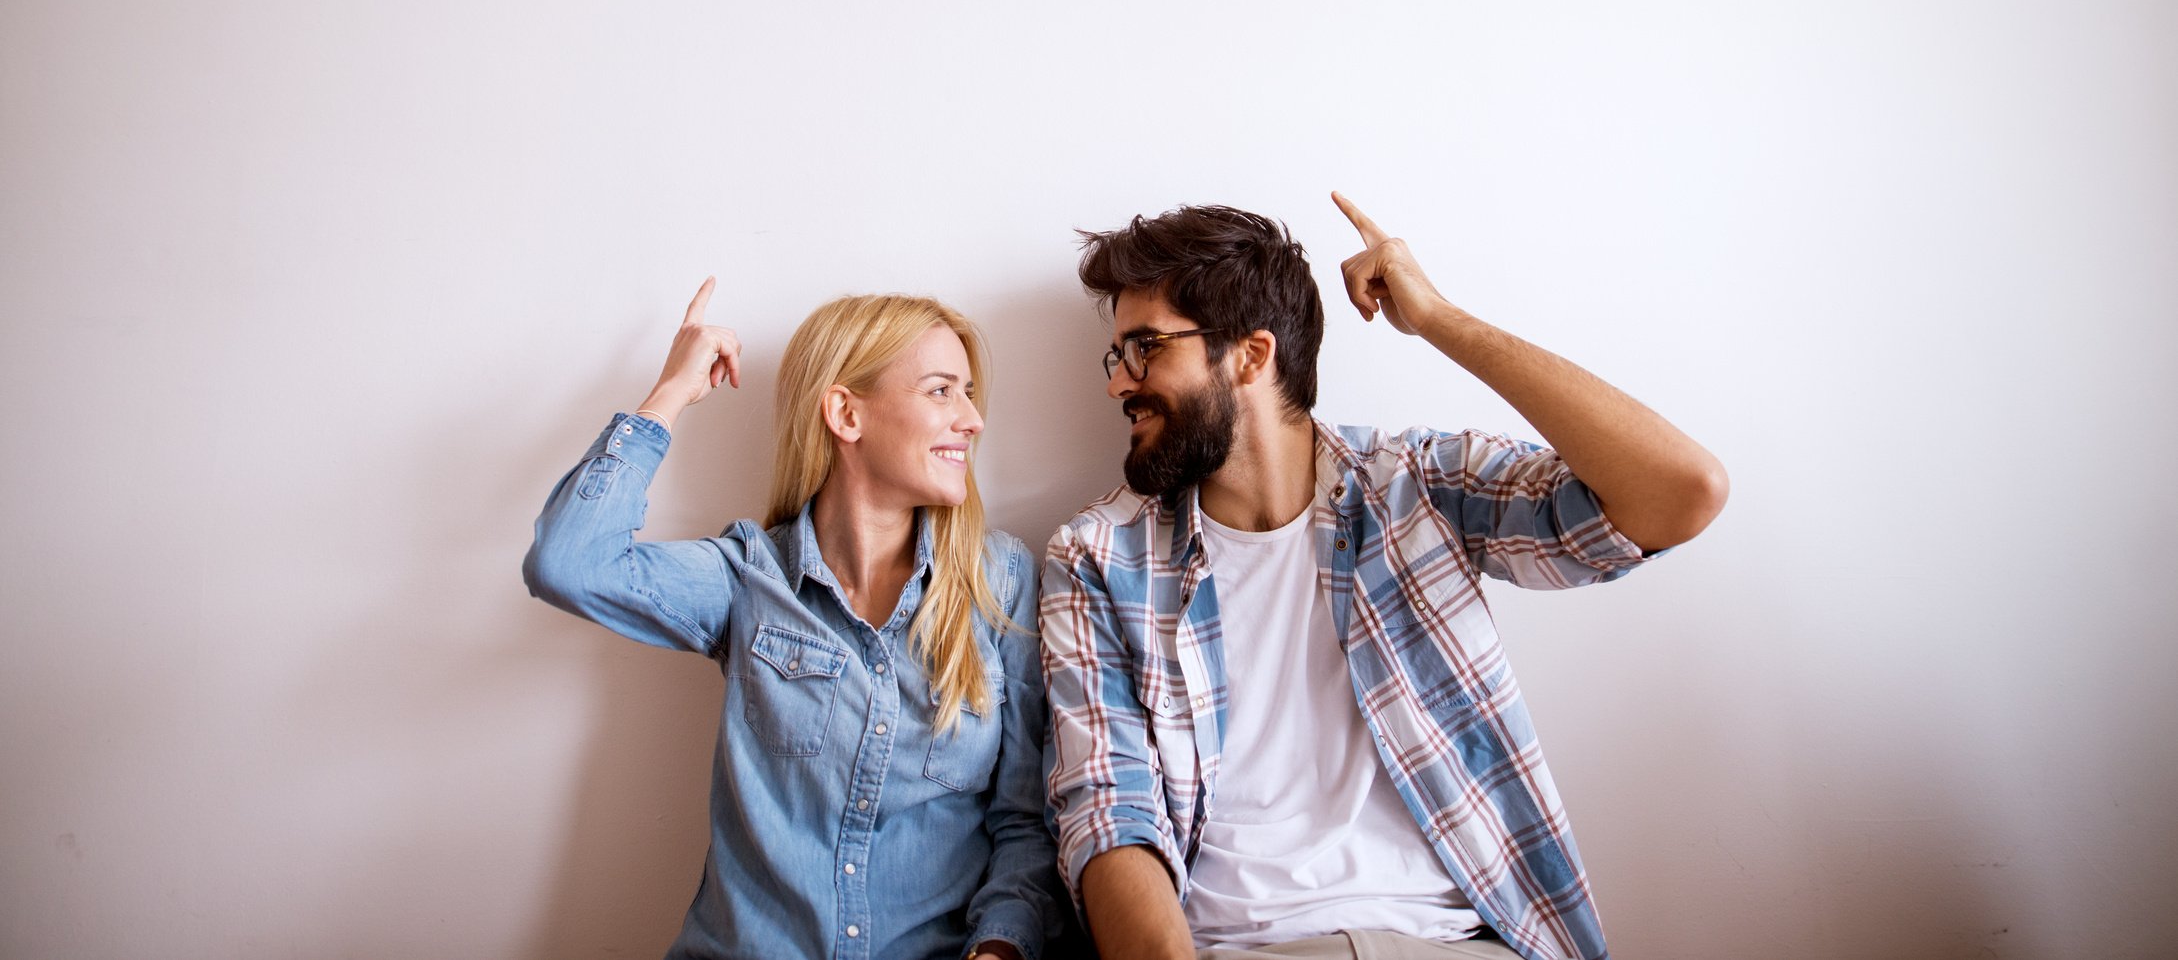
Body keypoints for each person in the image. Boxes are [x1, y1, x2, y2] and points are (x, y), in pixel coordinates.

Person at [1040, 197, 1729, 960]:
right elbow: (1108, 810)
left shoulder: (1414, 486)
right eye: (1119, 355)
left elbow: (1680, 493)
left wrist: (1440, 320)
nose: (1118, 384)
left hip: (1451, 942)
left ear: (1251, 354)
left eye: (1145, 348)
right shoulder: (1099, 558)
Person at [524, 279, 1067, 960]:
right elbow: (568, 564)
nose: (972, 419)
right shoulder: (748, 575)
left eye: (968, 392)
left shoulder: (1001, 580)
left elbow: (1025, 824)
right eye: (940, 390)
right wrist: (671, 393)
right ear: (845, 412)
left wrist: (999, 949)